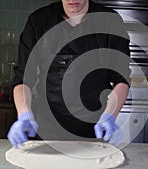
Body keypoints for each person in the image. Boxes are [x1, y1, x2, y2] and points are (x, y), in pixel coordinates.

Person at [7, 0, 130, 148]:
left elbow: (121, 79)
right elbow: (23, 78)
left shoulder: (110, 21)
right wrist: (24, 115)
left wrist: (109, 116)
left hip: (94, 128)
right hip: (48, 126)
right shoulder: (39, 21)